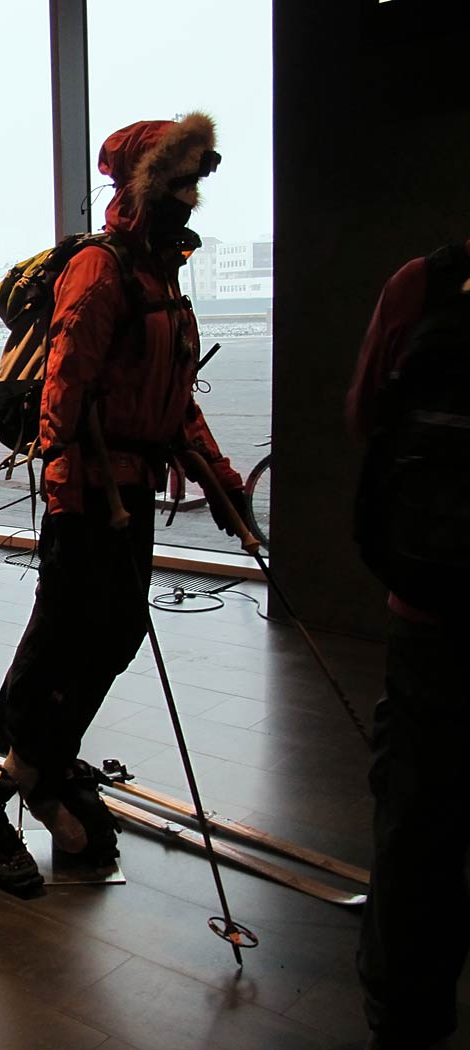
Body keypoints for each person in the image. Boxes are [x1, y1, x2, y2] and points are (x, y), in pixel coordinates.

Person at [0, 113, 250, 896]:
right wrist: (68, 496)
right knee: (59, 645)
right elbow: (64, 391)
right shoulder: (102, 269)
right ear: (147, 185)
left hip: (130, 490)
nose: (192, 195)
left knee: (113, 637)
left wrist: (225, 486)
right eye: (181, 179)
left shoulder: (160, 278)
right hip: (90, 493)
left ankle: (45, 766)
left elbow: (174, 403)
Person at [347, 236, 470, 1050]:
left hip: (434, 605)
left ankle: (405, 1023)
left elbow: (367, 417)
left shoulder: (426, 283)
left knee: (419, 829)